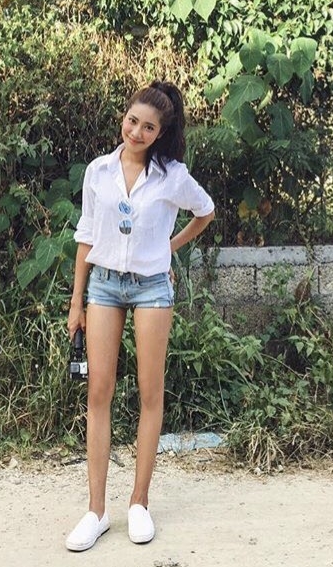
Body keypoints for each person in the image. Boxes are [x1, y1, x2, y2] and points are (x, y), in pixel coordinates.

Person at [65, 80, 215, 552]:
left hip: (152, 286)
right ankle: (96, 511)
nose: (136, 132)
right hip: (104, 285)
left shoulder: (173, 176)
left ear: (160, 133)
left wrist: (168, 247)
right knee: (99, 391)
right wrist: (76, 301)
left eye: (148, 127)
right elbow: (86, 235)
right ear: (123, 117)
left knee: (151, 392)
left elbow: (205, 212)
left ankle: (139, 503)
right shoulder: (98, 171)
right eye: (132, 121)